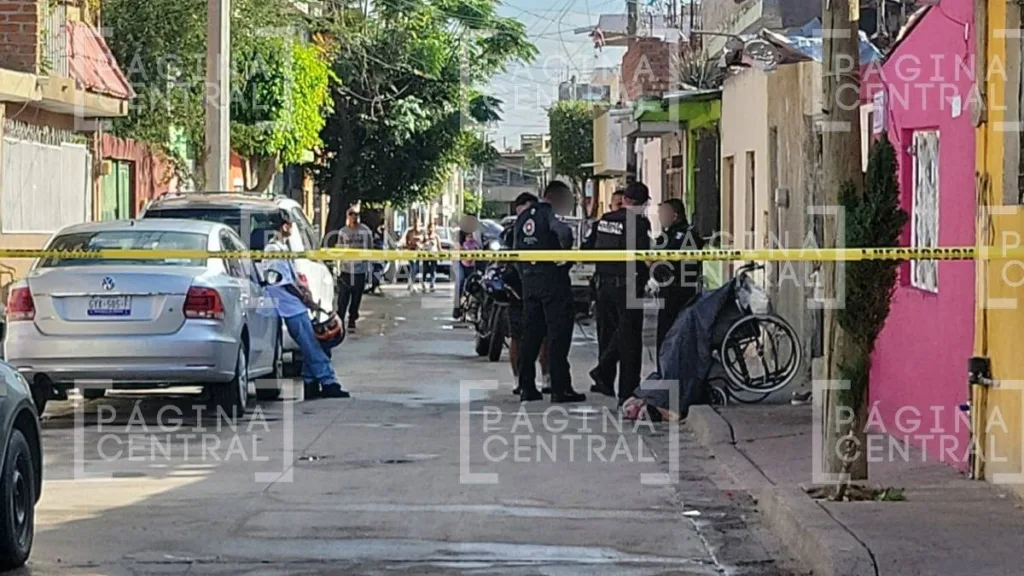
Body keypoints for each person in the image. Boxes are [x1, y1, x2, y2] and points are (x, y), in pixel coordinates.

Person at [513, 180, 585, 403]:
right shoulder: (549, 214)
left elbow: (515, 249)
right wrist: (565, 258)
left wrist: (525, 275)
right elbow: (564, 232)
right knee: (558, 334)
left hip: (529, 282)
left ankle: (526, 387)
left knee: (530, 336)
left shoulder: (524, 217)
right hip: (552, 281)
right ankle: (560, 388)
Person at [265, 211, 349, 399]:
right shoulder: (273, 250)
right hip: (290, 307)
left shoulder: (281, 248)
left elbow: (292, 277)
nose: (292, 229)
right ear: (285, 226)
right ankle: (328, 382)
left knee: (312, 345)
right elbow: (284, 282)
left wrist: (305, 291)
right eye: (291, 225)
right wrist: (304, 298)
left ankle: (310, 383)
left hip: (294, 305)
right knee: (312, 347)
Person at [586, 181, 652, 405]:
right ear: (644, 204)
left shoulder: (605, 220)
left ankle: (604, 378)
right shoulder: (639, 224)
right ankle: (626, 391)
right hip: (628, 286)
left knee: (608, 335)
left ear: (624, 200)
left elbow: (589, 248)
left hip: (603, 285)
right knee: (630, 339)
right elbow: (643, 255)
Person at [502, 193, 552, 395]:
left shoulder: (544, 226)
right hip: (517, 290)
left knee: (544, 336)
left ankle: (546, 378)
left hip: (538, 287)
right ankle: (519, 381)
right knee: (518, 337)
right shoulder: (510, 232)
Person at [583, 189, 625, 396]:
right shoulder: (601, 225)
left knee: (619, 333)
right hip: (608, 284)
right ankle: (604, 378)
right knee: (609, 334)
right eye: (618, 205)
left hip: (620, 285)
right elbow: (586, 250)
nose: (621, 209)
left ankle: (603, 373)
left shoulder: (605, 224)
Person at [652, 199, 704, 361]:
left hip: (680, 289)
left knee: (676, 332)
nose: (660, 217)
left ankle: (673, 366)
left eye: (663, 213)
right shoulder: (667, 235)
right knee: (666, 333)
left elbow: (667, 257)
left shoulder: (687, 234)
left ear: (674, 216)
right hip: (668, 288)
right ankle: (665, 366)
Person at [336, 206, 374, 331]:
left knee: (356, 297)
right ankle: (340, 320)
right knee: (343, 297)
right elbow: (339, 248)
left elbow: (370, 248)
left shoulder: (365, 230)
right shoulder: (343, 231)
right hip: (346, 269)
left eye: (356, 214)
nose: (354, 216)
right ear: (347, 216)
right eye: (351, 214)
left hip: (359, 270)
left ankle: (352, 318)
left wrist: (366, 261)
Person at [453, 215, 482, 319]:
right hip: (460, 261)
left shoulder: (477, 233)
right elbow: (456, 246)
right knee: (460, 281)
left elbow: (481, 245)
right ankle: (456, 307)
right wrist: (462, 250)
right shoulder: (459, 234)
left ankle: (475, 307)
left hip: (474, 262)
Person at [404, 218, 426, 292]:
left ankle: (411, 283)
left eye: (417, 223)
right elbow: (406, 242)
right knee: (413, 267)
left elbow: (425, 242)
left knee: (416, 268)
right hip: (411, 252)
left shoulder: (422, 232)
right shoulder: (409, 232)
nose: (416, 224)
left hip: (419, 252)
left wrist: (421, 245)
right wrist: (410, 245)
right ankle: (411, 283)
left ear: (420, 223)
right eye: (415, 223)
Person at [422, 222, 441, 292]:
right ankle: (424, 283)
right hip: (426, 255)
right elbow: (421, 245)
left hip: (434, 255)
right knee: (425, 269)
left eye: (432, 227)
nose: (431, 229)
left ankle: (432, 284)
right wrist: (425, 243)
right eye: (429, 227)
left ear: (434, 228)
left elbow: (439, 247)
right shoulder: (425, 236)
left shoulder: (436, 237)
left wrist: (440, 256)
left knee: (433, 270)